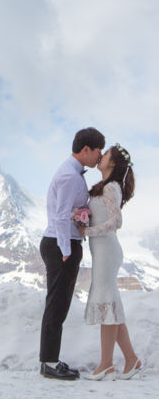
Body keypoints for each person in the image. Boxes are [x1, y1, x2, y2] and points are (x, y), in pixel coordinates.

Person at [40, 127, 105, 380]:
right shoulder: (69, 176)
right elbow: (59, 215)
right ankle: (49, 363)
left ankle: (51, 360)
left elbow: (68, 212)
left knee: (60, 304)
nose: (99, 157)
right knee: (56, 305)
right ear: (86, 149)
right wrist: (66, 249)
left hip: (62, 243)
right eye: (98, 152)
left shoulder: (73, 173)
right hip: (60, 246)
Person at [79, 144, 141, 381]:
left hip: (107, 251)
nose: (101, 156)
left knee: (107, 304)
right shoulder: (103, 187)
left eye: (105, 154)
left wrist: (89, 231)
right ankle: (131, 359)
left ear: (113, 163)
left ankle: (106, 364)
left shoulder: (112, 187)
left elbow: (117, 222)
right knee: (111, 305)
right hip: (101, 251)